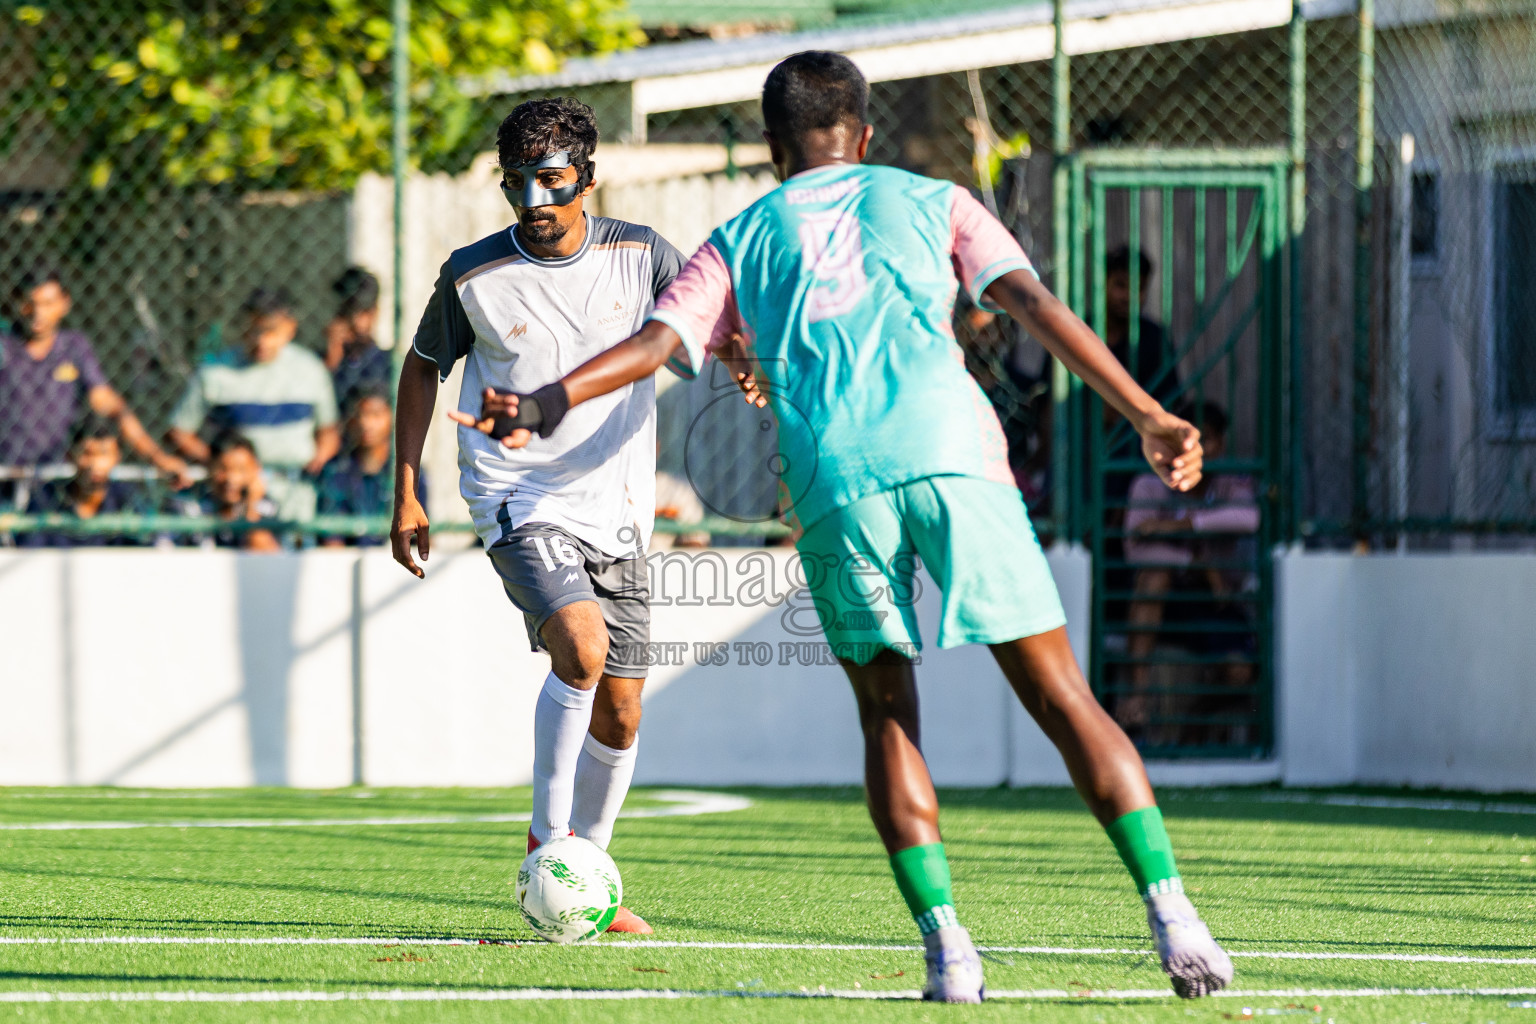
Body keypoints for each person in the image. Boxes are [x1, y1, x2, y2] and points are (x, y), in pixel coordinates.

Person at [460, 52, 1230, 1003]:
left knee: (888, 715)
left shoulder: (741, 234)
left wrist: (544, 402)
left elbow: (661, 344)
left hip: (837, 479)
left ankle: (949, 954)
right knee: (1064, 697)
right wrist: (1147, 414)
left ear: (773, 150)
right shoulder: (935, 199)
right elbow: (1030, 302)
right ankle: (1176, 920)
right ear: (864, 135)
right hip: (955, 458)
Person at [389, 97, 688, 935]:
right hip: (519, 497)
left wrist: (740, 360)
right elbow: (421, 370)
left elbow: (698, 324)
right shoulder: (473, 272)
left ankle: (584, 871)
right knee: (582, 647)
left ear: (587, 177)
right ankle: (545, 843)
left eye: (551, 180)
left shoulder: (641, 254)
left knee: (622, 708)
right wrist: (406, 488)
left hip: (619, 508)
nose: (534, 202)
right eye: (516, 184)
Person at [1121, 402, 1260, 745]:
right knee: (1154, 577)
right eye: (1183, 441)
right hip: (1166, 605)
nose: (1193, 452)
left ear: (1221, 444)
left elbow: (1249, 519)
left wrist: (1178, 526)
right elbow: (1134, 546)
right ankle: (1137, 694)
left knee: (1240, 672)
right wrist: (1195, 562)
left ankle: (1194, 719)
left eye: (1205, 441)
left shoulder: (1232, 481)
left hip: (1216, 602)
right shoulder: (1149, 484)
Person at [167, 287, 340, 521]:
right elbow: (179, 432)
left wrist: (318, 459)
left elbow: (328, 431)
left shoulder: (311, 370)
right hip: (235, 500)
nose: (261, 340)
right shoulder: (216, 372)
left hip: (296, 496)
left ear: (290, 328)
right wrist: (226, 468)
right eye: (253, 330)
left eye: (270, 332)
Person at [0, 268, 188, 480]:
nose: (38, 313)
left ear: (65, 303)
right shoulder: (4, 346)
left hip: (56, 479)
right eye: (29, 303)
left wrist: (157, 457)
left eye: (48, 303)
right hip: (5, 472)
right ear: (16, 302)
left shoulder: (74, 347)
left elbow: (110, 404)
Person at [20, 418, 150, 548]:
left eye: (104, 454)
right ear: (70, 456)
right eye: (87, 454)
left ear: (117, 457)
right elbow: (30, 548)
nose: (95, 464)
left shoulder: (126, 498)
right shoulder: (47, 496)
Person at [318, 386, 422, 545]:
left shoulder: (411, 473)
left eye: (376, 415)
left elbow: (421, 535)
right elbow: (332, 540)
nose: (366, 423)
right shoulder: (337, 471)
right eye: (361, 414)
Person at [173, 432, 282, 552]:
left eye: (241, 470)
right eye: (223, 469)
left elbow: (267, 556)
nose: (231, 479)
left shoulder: (265, 507)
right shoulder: (194, 506)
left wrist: (251, 508)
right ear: (210, 468)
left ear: (256, 470)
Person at [1104, 246, 1179, 402]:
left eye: (1138, 288)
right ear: (1104, 283)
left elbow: (1170, 400)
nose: (1128, 296)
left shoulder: (1155, 338)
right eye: (1120, 285)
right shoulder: (1081, 328)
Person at [325, 266, 392, 413]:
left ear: (374, 312)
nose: (354, 321)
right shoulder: (327, 362)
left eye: (362, 311)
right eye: (347, 311)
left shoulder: (387, 362)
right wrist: (332, 357)